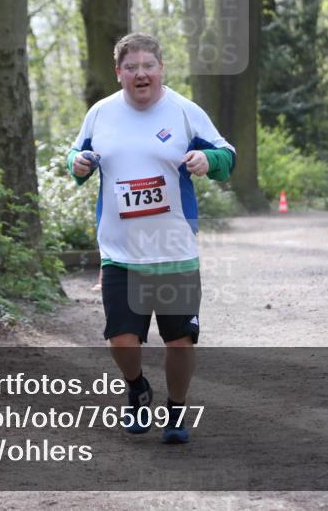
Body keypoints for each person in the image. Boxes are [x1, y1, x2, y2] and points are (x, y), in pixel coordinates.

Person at [67, 33, 235, 445]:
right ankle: (137, 386)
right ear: (118, 73)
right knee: (121, 340)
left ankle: (176, 411)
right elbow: (75, 157)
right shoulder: (101, 113)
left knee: (179, 342)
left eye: (148, 66)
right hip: (120, 251)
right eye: (131, 68)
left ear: (161, 69)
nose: (140, 74)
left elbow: (227, 157)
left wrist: (207, 159)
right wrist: (79, 164)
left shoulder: (184, 111)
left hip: (174, 250)